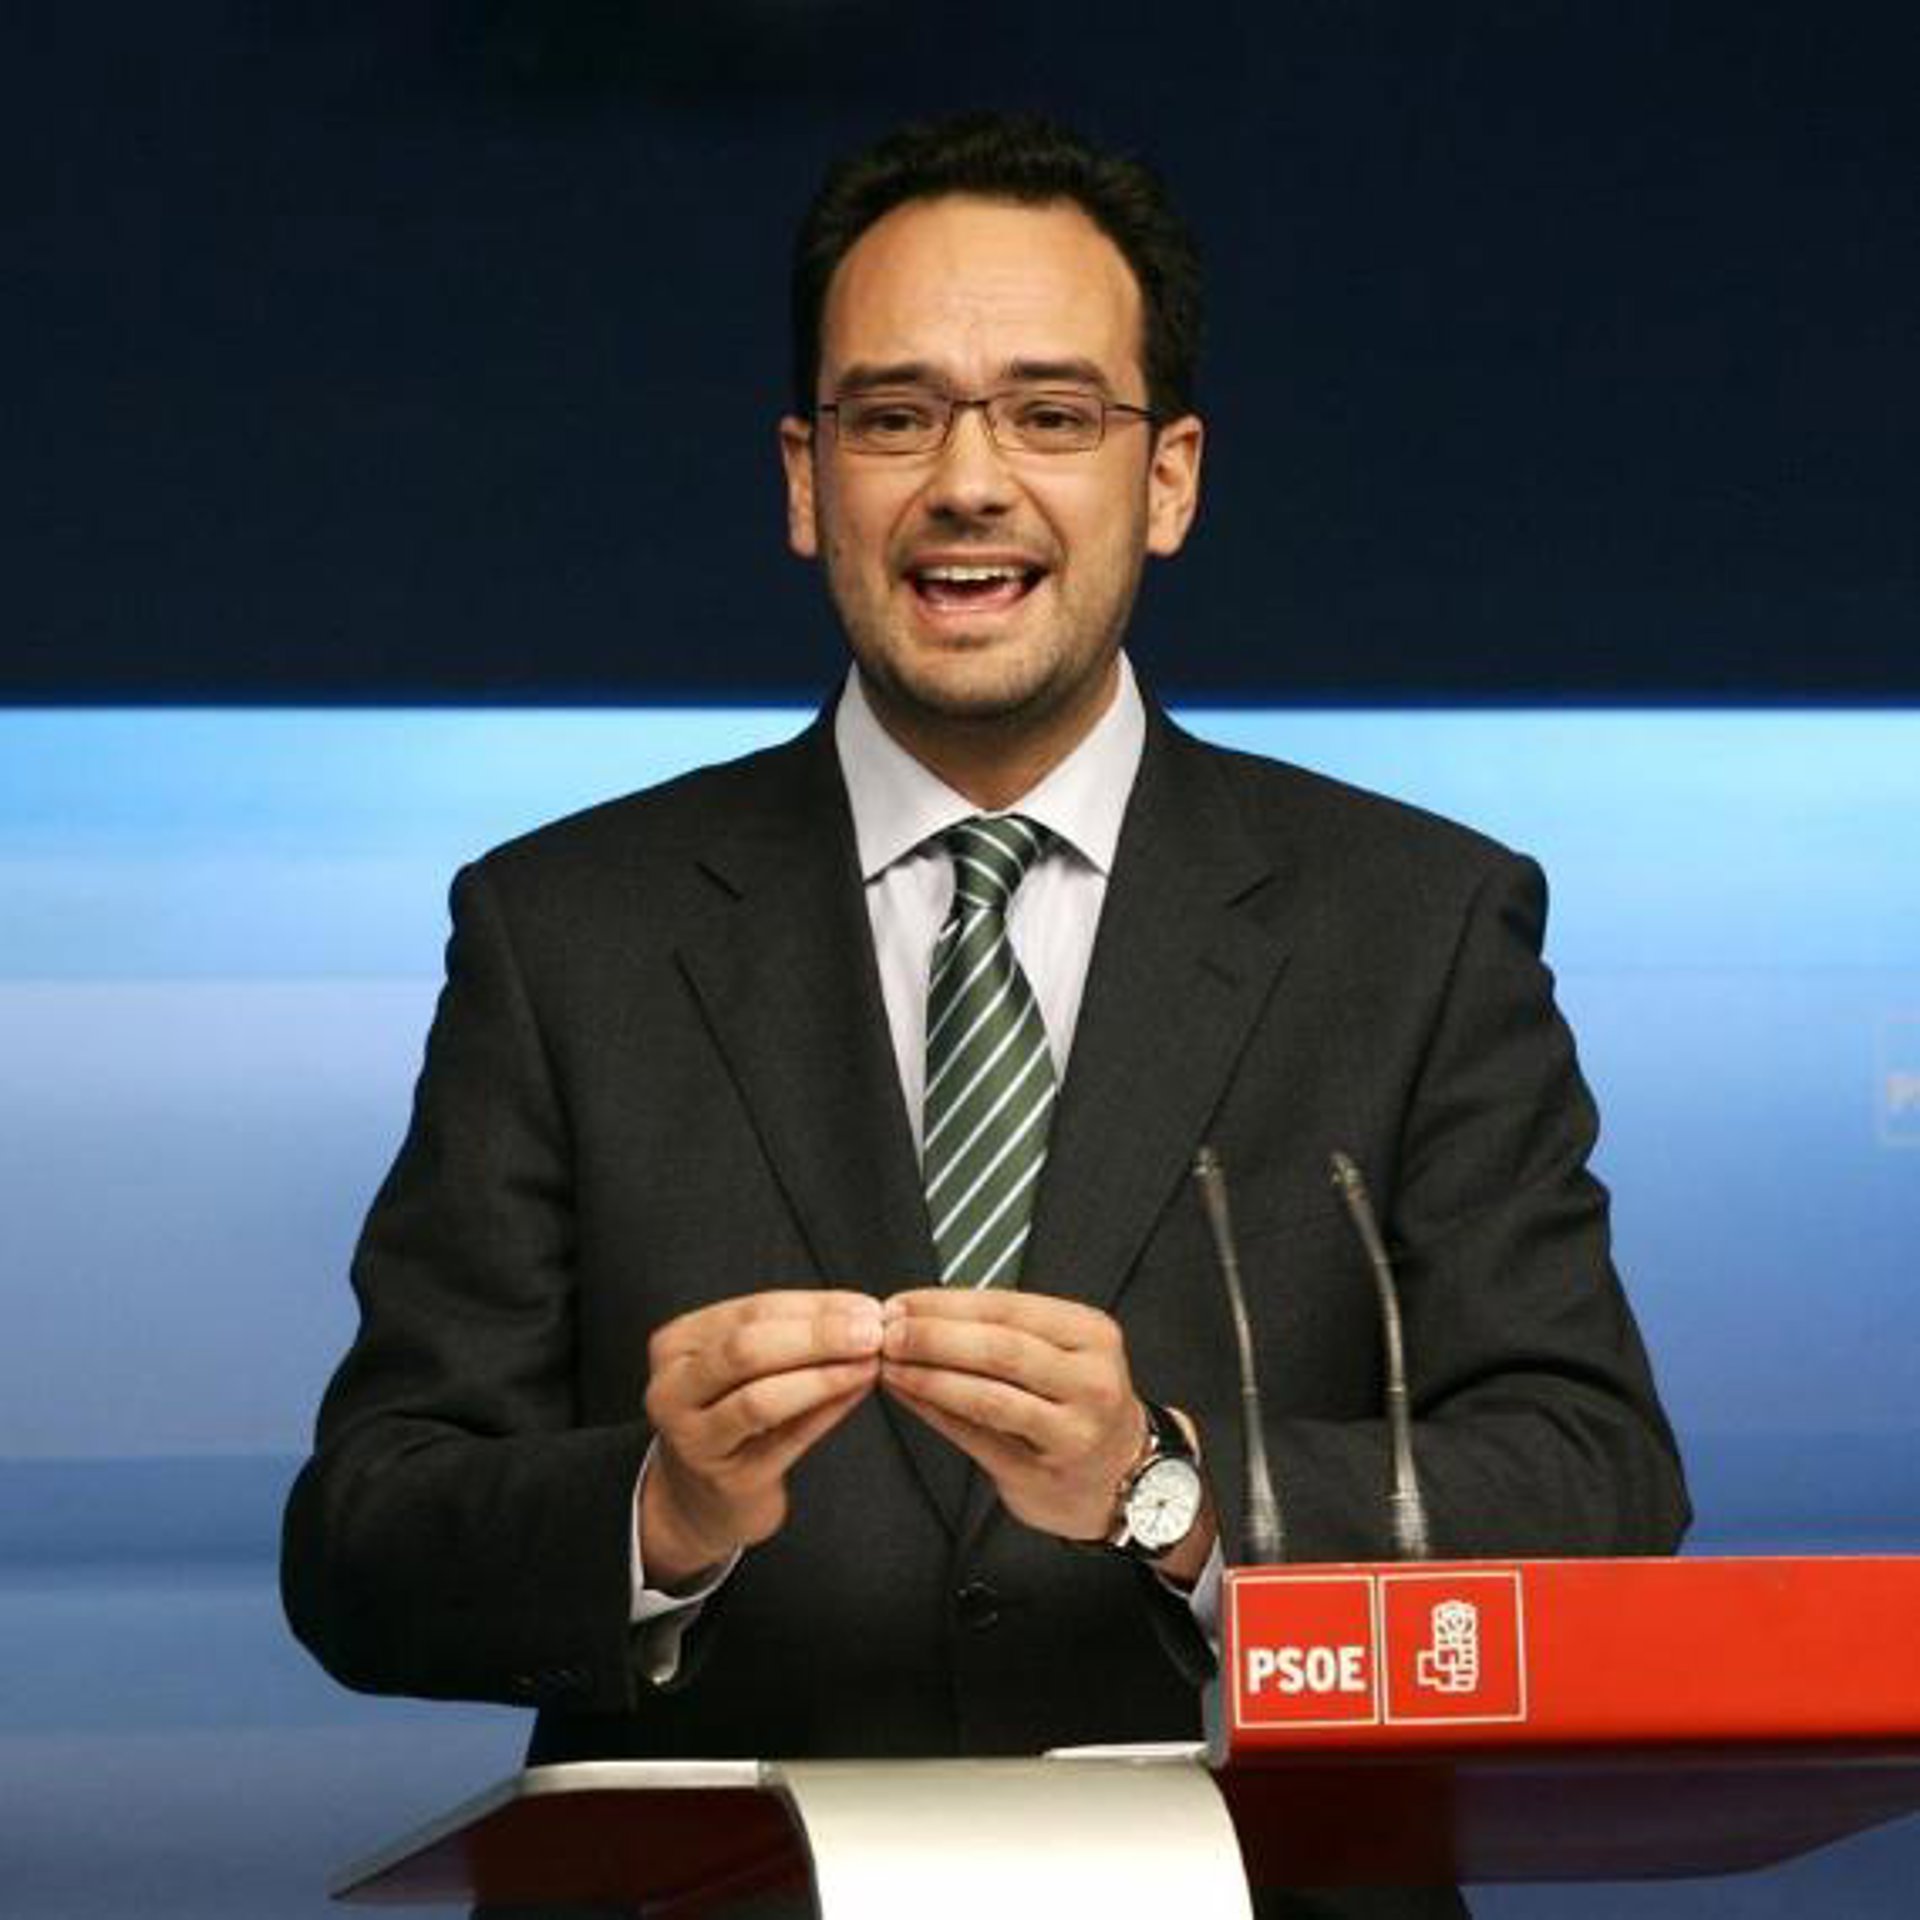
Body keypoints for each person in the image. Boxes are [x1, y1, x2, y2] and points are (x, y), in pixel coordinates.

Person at [283, 113, 1688, 1918]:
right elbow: (367, 1540)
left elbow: (1595, 1487)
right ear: (807, 482)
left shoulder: (1418, 926)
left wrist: (1167, 1489)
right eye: (895, 417)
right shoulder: (565, 930)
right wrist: (661, 1517)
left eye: (1050, 414)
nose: (968, 483)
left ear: (1168, 480)